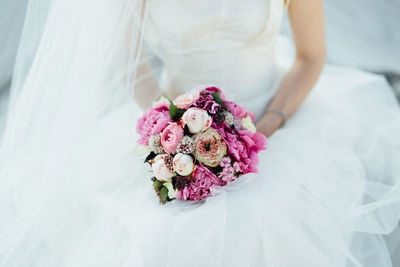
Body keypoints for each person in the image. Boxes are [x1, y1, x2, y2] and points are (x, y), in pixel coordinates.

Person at [1, 0, 399, 266]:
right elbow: (131, 65)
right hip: (173, 126)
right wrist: (174, 127)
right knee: (164, 234)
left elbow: (310, 57)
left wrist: (265, 127)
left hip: (274, 116)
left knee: (265, 219)